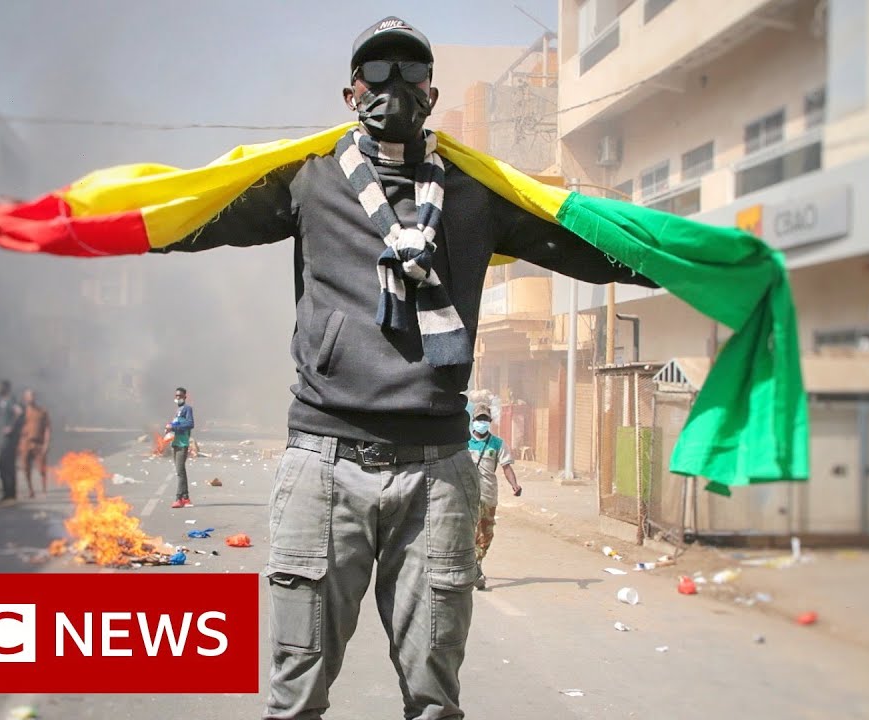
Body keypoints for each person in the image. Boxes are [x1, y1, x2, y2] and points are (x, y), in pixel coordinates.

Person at [152, 17, 656, 719]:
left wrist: (686, 264)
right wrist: (92, 227)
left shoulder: (475, 196)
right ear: (349, 91)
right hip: (323, 466)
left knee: (433, 700)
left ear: (431, 90)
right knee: (295, 700)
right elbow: (195, 216)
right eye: (377, 73)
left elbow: (581, 244)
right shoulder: (310, 182)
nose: (393, 87)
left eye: (409, 73)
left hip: (438, 472)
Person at [466, 402, 521, 591]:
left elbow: (506, 467)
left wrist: (515, 485)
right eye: (479, 419)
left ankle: (476, 563)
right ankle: (471, 569)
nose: (482, 422)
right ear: (473, 421)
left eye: (485, 419)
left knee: (486, 533)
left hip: (488, 495)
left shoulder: (497, 443)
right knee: (467, 532)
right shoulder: (463, 442)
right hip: (466, 496)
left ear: (489, 422)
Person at [18, 389, 51, 497]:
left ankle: (44, 489)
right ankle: (30, 490)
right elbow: (16, 428)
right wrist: (18, 444)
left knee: (42, 468)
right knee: (26, 468)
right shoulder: (21, 412)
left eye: (32, 396)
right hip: (25, 443)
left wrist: (46, 443)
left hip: (38, 443)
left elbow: (47, 428)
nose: (31, 398)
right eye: (28, 396)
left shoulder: (42, 411)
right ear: (25, 398)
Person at [0, 380, 24, 506]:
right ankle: (7, 493)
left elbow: (19, 413)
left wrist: (11, 428)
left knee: (7, 465)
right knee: (3, 465)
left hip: (10, 440)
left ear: (5, 388)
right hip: (4, 439)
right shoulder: (3, 401)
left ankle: (10, 494)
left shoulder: (11, 400)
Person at [167, 386, 195, 509]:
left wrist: (174, 427)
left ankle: (179, 498)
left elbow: (190, 424)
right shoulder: (178, 410)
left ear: (185, 397)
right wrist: (169, 428)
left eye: (180, 396)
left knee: (180, 472)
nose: (178, 398)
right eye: (176, 396)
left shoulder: (187, 409)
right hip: (176, 444)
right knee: (180, 471)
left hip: (182, 444)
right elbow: (177, 425)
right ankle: (186, 498)